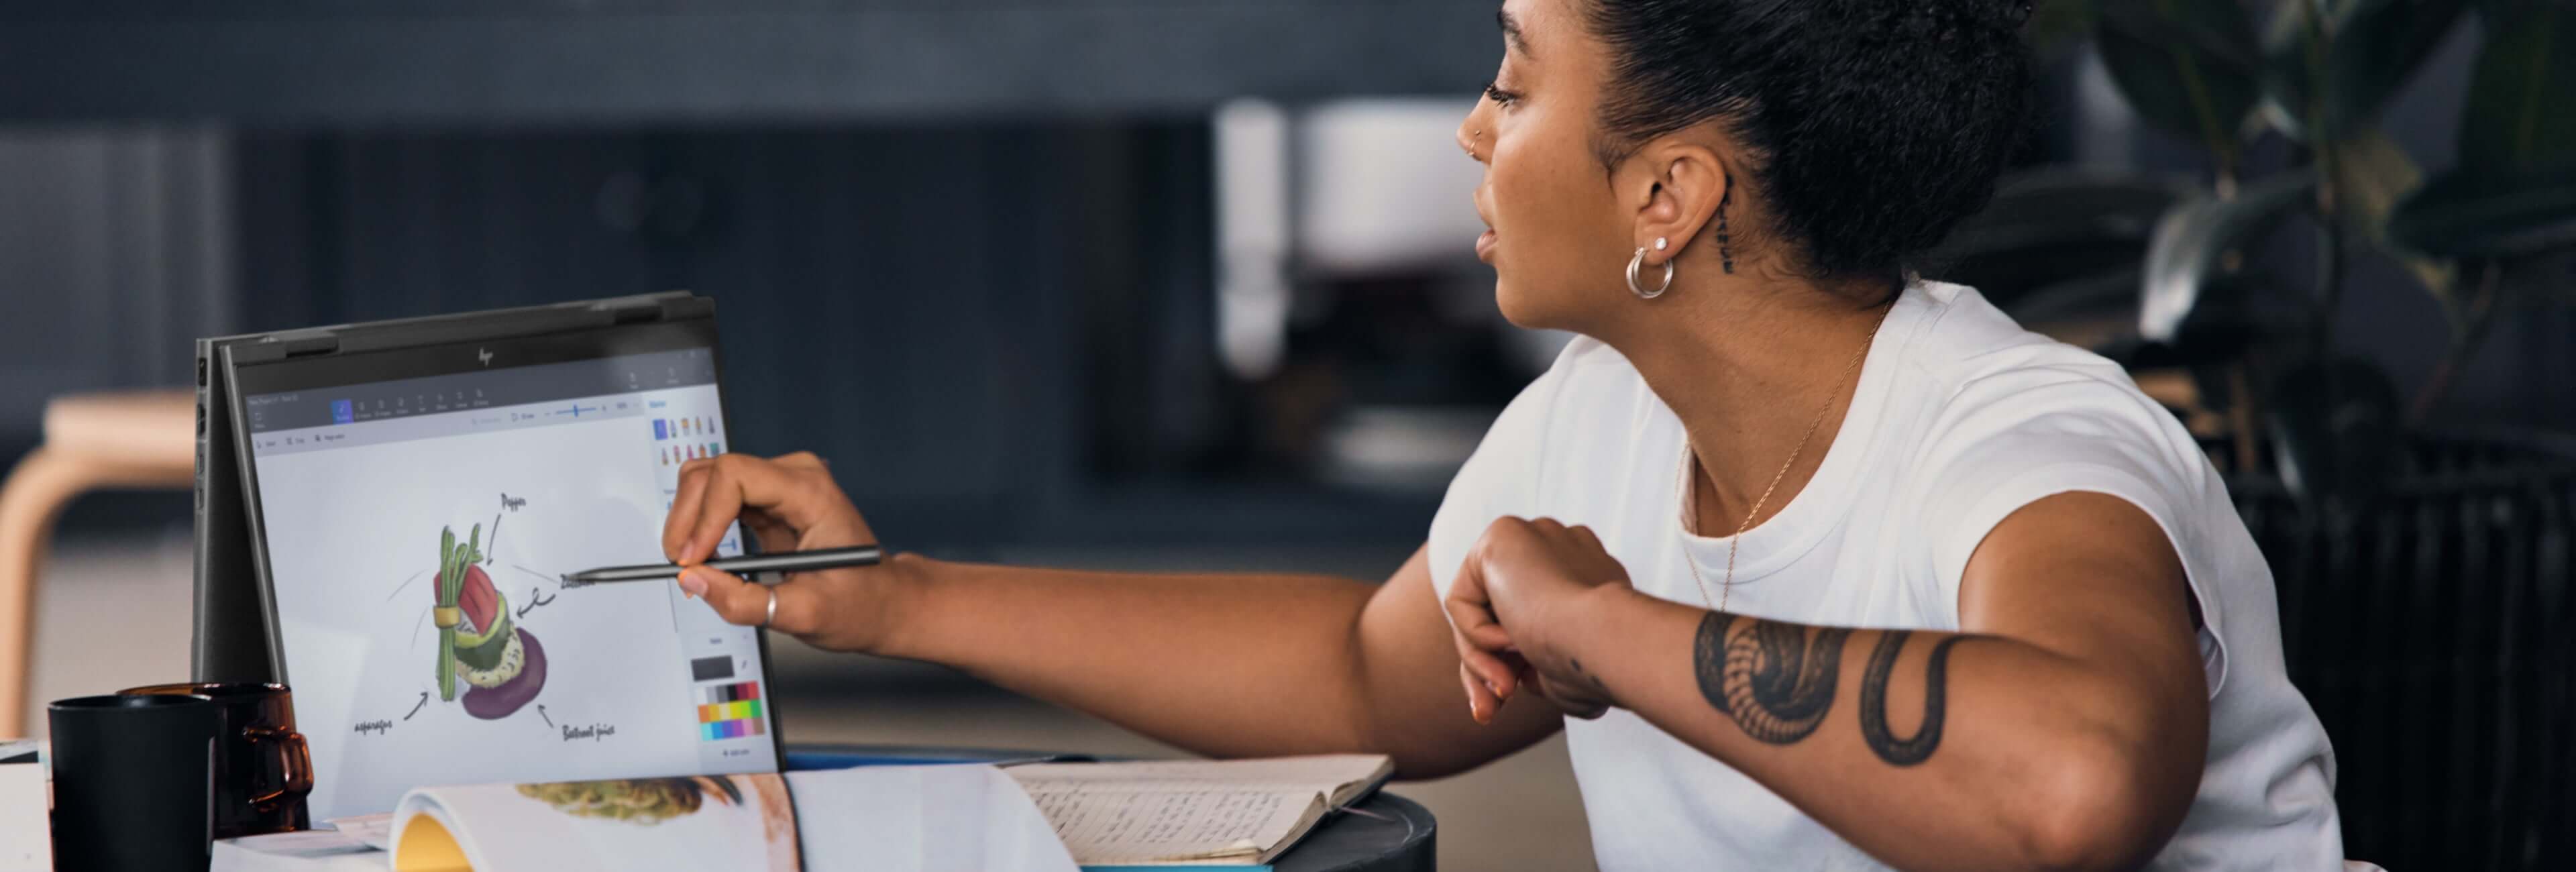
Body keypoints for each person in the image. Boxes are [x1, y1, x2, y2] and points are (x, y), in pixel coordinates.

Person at [659, 0, 2345, 867]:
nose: (1475, 126)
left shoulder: (2027, 440)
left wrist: (1607, 628)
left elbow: (2075, 787)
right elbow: (1349, 665)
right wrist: (897, 599)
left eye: (1517, 80)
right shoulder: (1601, 421)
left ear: (1668, 195)